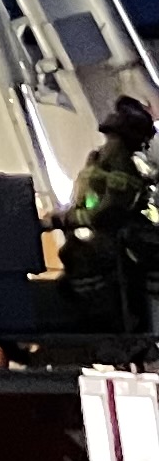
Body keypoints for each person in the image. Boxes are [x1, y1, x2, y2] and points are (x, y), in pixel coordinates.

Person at [62, 97, 158, 329]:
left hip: (110, 243)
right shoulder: (112, 163)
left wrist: (70, 218)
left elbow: (108, 209)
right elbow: (105, 208)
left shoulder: (106, 164)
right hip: (106, 244)